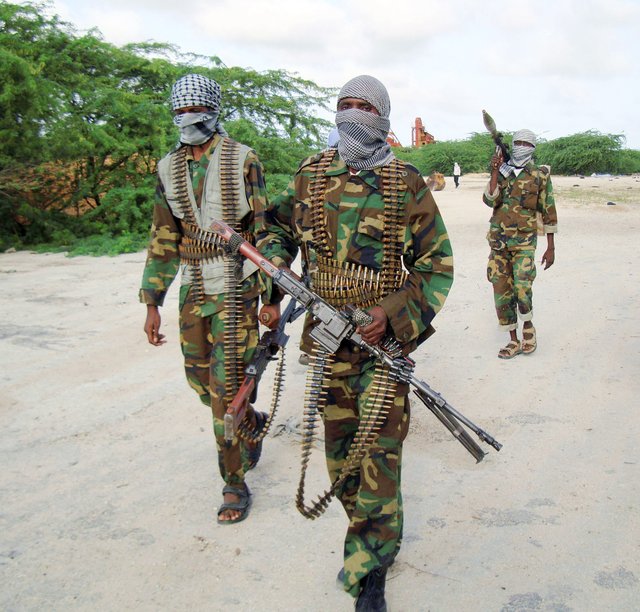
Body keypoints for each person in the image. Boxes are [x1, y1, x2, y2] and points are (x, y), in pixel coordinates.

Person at [256, 75, 454, 611]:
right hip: (325, 344)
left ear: (383, 117)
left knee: (378, 456)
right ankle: (369, 534)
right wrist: (277, 272)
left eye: (363, 106)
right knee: (340, 458)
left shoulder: (405, 183)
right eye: (344, 104)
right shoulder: (310, 175)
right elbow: (273, 229)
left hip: (381, 347)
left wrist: (387, 316)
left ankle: (370, 566)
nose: (351, 113)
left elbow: (436, 265)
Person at [139, 73, 278, 524]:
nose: (187, 118)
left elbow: (263, 230)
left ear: (213, 110)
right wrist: (152, 301)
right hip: (192, 289)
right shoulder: (167, 167)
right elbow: (163, 235)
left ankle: (234, 484)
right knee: (201, 385)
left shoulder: (242, 159)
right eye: (179, 110)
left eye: (193, 109)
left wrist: (270, 297)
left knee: (224, 394)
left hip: (236, 287)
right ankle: (252, 425)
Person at [483, 129, 558, 358]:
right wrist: (495, 170)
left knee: (523, 288)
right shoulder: (503, 172)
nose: (521, 146)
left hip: (525, 241)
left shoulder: (540, 175)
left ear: (533, 147)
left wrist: (550, 247)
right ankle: (513, 340)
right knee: (501, 290)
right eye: (518, 142)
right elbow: (489, 200)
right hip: (498, 243)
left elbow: (548, 209)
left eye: (526, 143)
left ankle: (528, 329)